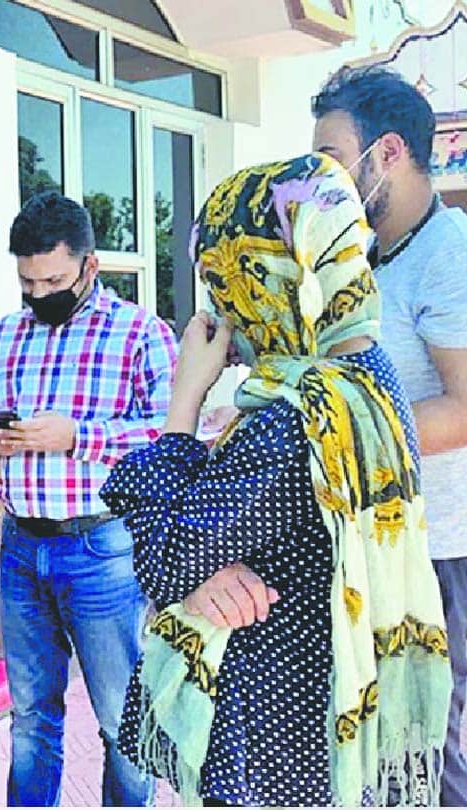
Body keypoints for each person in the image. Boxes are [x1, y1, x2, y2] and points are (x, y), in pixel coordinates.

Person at [100, 153, 452, 806]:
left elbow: (165, 561)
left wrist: (184, 400)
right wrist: (204, 573)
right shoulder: (367, 373)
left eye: (225, 283)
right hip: (336, 725)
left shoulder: (291, 421)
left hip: (273, 743)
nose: (222, 310)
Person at [0, 191, 177, 806]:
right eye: (28, 282)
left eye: (53, 281)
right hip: (20, 547)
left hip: (101, 548)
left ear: (89, 266)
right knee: (31, 717)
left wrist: (79, 437)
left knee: (122, 720)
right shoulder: (7, 335)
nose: (39, 293)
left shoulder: (139, 333)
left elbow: (172, 434)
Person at [313, 65, 467, 805]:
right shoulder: (365, 257)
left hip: (440, 552)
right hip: (370, 544)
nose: (321, 181)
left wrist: (335, 430)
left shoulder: (448, 257)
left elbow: (463, 409)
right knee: (376, 752)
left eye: (333, 159)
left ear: (390, 153)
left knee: (429, 753)